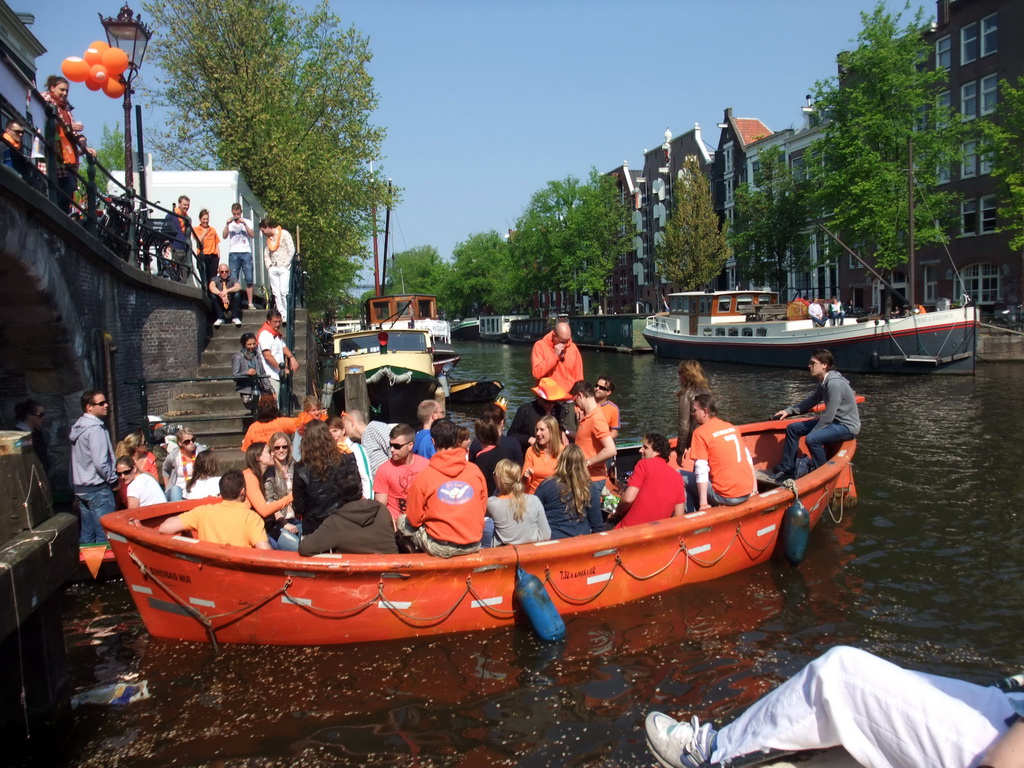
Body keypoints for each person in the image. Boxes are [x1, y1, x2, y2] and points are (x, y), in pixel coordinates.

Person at [644, 645, 1024, 768]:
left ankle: (713, 752)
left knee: (840, 672)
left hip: (1004, 736)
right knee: (900, 684)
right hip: (1007, 707)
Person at [399, 418, 487, 558]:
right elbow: (482, 509)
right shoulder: (475, 471)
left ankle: (416, 561)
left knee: (402, 521)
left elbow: (414, 519)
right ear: (455, 440)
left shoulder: (425, 476)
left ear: (433, 442)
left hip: (440, 547)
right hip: (474, 543)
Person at [770, 348, 861, 481]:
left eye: (813, 363)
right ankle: (788, 468)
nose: (809, 366)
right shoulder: (825, 381)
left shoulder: (834, 384)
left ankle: (822, 473)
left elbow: (828, 416)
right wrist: (788, 411)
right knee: (793, 429)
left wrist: (814, 433)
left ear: (824, 365)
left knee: (812, 439)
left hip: (846, 426)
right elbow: (812, 401)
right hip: (835, 422)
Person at [298, 461, 398, 556]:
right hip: (391, 570)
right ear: (360, 487)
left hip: (358, 572)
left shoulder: (335, 522)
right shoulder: (382, 509)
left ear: (337, 492)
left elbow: (305, 547)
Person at [157, 470, 270, 550]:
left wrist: (186, 531)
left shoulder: (203, 512)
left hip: (208, 571)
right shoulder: (251, 518)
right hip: (239, 575)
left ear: (221, 491)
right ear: (243, 491)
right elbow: (265, 553)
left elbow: (164, 528)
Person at [685, 393, 757, 512]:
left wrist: (703, 504)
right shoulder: (731, 427)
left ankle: (690, 516)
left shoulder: (700, 433)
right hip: (747, 492)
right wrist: (754, 490)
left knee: (678, 476)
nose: (692, 414)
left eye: (694, 410)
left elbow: (701, 469)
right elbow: (748, 459)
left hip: (726, 496)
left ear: (705, 412)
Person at [607, 432, 686, 528]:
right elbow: (679, 515)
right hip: (658, 534)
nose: (640, 450)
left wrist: (615, 513)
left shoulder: (643, 464)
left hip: (629, 531)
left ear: (657, 452)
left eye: (645, 447)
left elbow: (628, 499)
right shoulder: (678, 477)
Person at [39, 75, 94, 211]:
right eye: (61, 90)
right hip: (54, 152)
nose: (64, 93)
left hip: (66, 155)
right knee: (59, 186)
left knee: (68, 187)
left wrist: (81, 139)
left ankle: (59, 215)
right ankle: (53, 213)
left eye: (67, 91)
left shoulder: (66, 107)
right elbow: (50, 122)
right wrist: (69, 127)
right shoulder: (46, 100)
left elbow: (70, 126)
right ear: (52, 88)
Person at [70, 390, 117, 544]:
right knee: (106, 535)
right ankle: (108, 568)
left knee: (87, 535)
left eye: (106, 402)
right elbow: (100, 462)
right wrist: (113, 480)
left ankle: (90, 568)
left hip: (82, 488)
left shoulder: (78, 427)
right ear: (89, 407)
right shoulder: (95, 429)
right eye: (101, 403)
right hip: (97, 489)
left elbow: (73, 462)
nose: (106, 405)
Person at [293, 420, 350, 537]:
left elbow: (299, 506)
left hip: (313, 526)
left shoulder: (300, 468)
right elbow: (350, 492)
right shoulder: (341, 461)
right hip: (338, 522)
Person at [534, 445, 604, 539]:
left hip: (553, 541)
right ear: (582, 464)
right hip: (581, 542)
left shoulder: (546, 485)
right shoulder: (589, 488)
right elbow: (597, 525)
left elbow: (534, 514)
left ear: (561, 462)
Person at [242, 441, 297, 547]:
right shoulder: (249, 476)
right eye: (269, 452)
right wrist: (291, 497)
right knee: (296, 547)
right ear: (258, 458)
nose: (273, 454)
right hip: (248, 529)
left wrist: (283, 522)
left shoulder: (262, 476)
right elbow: (264, 510)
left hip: (265, 524)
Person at [486, 459, 550, 545]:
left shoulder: (492, 503)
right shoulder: (534, 500)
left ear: (499, 479)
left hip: (505, 555)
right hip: (532, 553)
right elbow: (546, 535)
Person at [569, 381, 617, 495]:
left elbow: (611, 450)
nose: (576, 405)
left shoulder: (596, 418)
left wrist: (587, 462)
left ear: (580, 395)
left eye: (575, 401)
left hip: (592, 480)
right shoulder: (588, 416)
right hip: (584, 477)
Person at [373, 423, 428, 523]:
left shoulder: (426, 465)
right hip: (396, 525)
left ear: (410, 445)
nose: (392, 450)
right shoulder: (384, 470)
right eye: (390, 445)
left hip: (422, 523)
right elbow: (380, 507)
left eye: (397, 446)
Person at [507, 377, 571, 452]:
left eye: (553, 401)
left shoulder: (559, 409)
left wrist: (562, 431)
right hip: (530, 453)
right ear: (538, 397)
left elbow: (560, 427)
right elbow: (511, 434)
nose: (550, 405)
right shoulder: (525, 411)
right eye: (546, 402)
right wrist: (529, 439)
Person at [531, 321, 583, 398]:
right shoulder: (540, 346)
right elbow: (537, 373)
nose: (564, 345)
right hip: (548, 400)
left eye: (567, 341)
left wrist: (577, 398)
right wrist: (554, 356)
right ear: (554, 335)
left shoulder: (573, 348)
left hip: (569, 400)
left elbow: (579, 377)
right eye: (562, 341)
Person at [257, 309, 299, 402]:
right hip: (270, 376)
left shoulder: (275, 334)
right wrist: (281, 369)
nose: (278, 324)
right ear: (268, 321)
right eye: (275, 322)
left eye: (279, 321)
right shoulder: (265, 334)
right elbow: (267, 356)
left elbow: (283, 347)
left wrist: (292, 358)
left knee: (279, 403)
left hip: (277, 375)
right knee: (273, 403)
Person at [675, 361, 712, 465]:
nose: (678, 376)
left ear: (686, 375)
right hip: (710, 435)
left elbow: (684, 425)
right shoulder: (707, 391)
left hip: (698, 439)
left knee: (700, 470)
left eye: (679, 372)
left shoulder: (686, 393)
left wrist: (680, 450)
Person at [260, 217, 295, 323]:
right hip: (273, 267)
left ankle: (287, 314)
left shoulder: (284, 234)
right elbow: (266, 254)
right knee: (276, 293)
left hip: (283, 267)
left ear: (267, 227)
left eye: (263, 231)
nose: (263, 233)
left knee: (284, 291)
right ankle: (282, 313)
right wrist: (269, 266)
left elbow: (291, 249)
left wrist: (286, 264)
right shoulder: (269, 240)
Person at [342, 409, 395, 479]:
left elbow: (394, 450)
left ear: (352, 422)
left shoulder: (374, 427)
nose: (343, 430)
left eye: (344, 425)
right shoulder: (360, 444)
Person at [468, 402, 523, 466]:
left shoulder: (476, 444)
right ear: (502, 422)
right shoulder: (513, 443)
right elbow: (519, 468)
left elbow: (471, 466)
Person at [470, 415, 513, 497]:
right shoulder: (504, 450)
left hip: (490, 498)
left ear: (479, 436)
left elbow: (479, 484)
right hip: (505, 495)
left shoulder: (481, 458)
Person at [223, 203, 255, 309]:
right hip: (234, 252)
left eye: (237, 214)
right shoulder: (230, 223)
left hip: (246, 252)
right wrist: (227, 225)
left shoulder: (247, 222)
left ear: (241, 212)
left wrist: (244, 224)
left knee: (249, 278)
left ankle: (250, 303)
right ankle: (233, 303)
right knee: (233, 278)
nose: (236, 216)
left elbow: (252, 235)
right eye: (234, 214)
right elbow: (224, 236)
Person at [522, 414, 563, 494]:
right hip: (534, 497)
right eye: (537, 430)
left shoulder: (564, 452)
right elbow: (524, 484)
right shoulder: (531, 451)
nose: (538, 433)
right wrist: (525, 477)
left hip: (555, 497)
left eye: (542, 430)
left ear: (552, 431)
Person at [231, 333, 271, 414]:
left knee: (265, 407)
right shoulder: (238, 357)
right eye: (249, 344)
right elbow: (235, 375)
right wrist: (246, 372)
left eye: (254, 343)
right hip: (247, 389)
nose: (252, 346)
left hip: (259, 387)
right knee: (254, 408)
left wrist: (270, 389)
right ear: (243, 344)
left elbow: (263, 373)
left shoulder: (257, 356)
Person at [162, 427, 206, 502]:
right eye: (187, 441)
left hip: (195, 488)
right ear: (180, 443)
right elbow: (165, 469)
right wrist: (167, 487)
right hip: (177, 490)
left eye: (193, 440)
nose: (191, 443)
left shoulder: (200, 453)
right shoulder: (174, 456)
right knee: (175, 490)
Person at [14, 398, 49, 472]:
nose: (43, 418)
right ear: (29, 416)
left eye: (44, 414)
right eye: (40, 415)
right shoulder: (18, 436)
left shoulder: (37, 433)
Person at [193, 208, 221, 285]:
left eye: (207, 219)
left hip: (213, 257)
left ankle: (212, 296)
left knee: (212, 280)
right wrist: (205, 232)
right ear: (200, 219)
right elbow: (198, 240)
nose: (205, 221)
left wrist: (218, 257)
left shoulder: (212, 230)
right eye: (204, 219)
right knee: (204, 280)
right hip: (202, 256)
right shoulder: (196, 229)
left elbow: (216, 244)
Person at [164, 195, 192, 271]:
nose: (186, 207)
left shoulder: (187, 218)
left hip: (185, 249)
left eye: (188, 205)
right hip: (175, 248)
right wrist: (168, 246)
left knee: (184, 273)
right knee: (173, 271)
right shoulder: (171, 215)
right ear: (179, 204)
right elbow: (165, 230)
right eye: (184, 205)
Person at [2, 118, 33, 183]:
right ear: (8, 130)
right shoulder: (3, 145)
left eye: (22, 132)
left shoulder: (17, 150)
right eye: (17, 131)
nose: (21, 134)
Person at [594, 376, 620, 441]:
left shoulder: (614, 409)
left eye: (601, 388)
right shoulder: (586, 403)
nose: (597, 388)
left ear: (608, 392)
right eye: (596, 385)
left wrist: (602, 440)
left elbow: (614, 433)